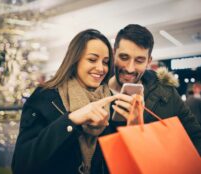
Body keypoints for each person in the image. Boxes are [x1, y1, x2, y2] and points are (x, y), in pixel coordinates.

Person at [11, 29, 129, 174]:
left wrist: (133, 122)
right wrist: (72, 120)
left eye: (105, 62)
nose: (101, 68)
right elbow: (21, 165)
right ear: (75, 60)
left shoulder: (110, 101)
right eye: (92, 59)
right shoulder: (45, 97)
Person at [109, 24, 201, 155]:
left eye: (139, 60)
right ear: (114, 54)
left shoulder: (167, 93)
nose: (130, 68)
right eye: (124, 57)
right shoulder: (95, 93)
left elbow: (196, 136)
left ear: (148, 61)